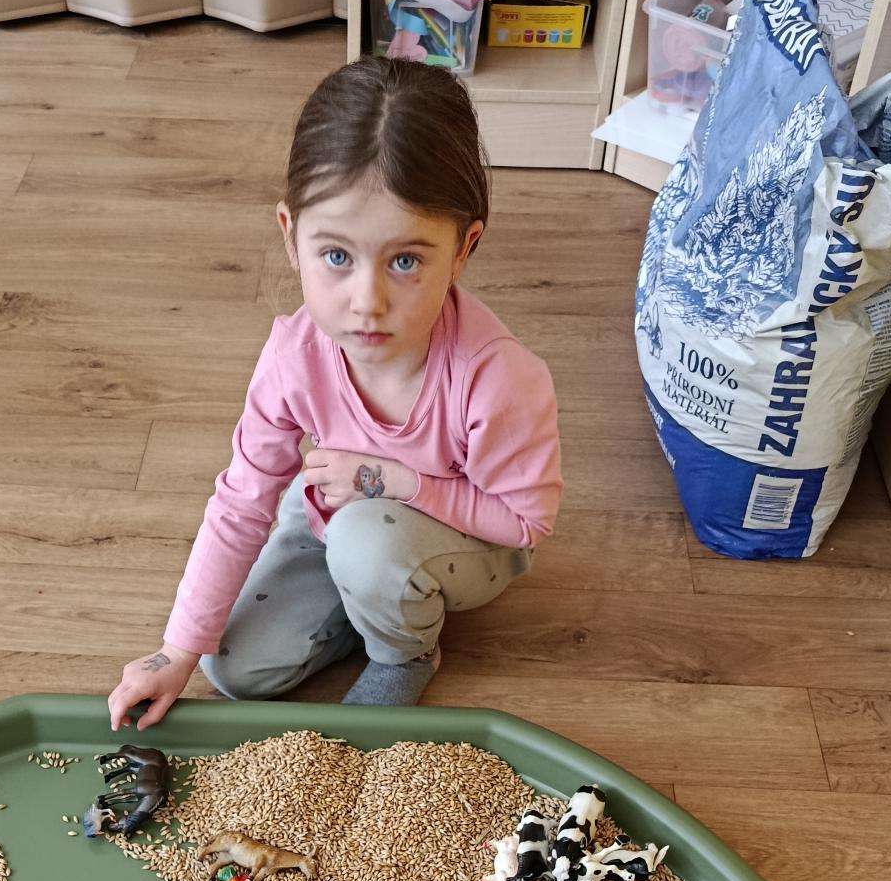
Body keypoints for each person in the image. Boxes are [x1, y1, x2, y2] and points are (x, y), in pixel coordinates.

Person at [106, 56, 561, 732]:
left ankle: (406, 651)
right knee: (235, 669)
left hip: (468, 535)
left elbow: (525, 525)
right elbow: (241, 502)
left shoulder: (499, 378)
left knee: (363, 541)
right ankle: (373, 593)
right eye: (337, 257)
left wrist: (394, 482)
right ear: (291, 237)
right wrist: (175, 652)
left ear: (464, 247)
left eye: (405, 261)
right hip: (342, 513)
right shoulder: (292, 355)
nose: (367, 302)